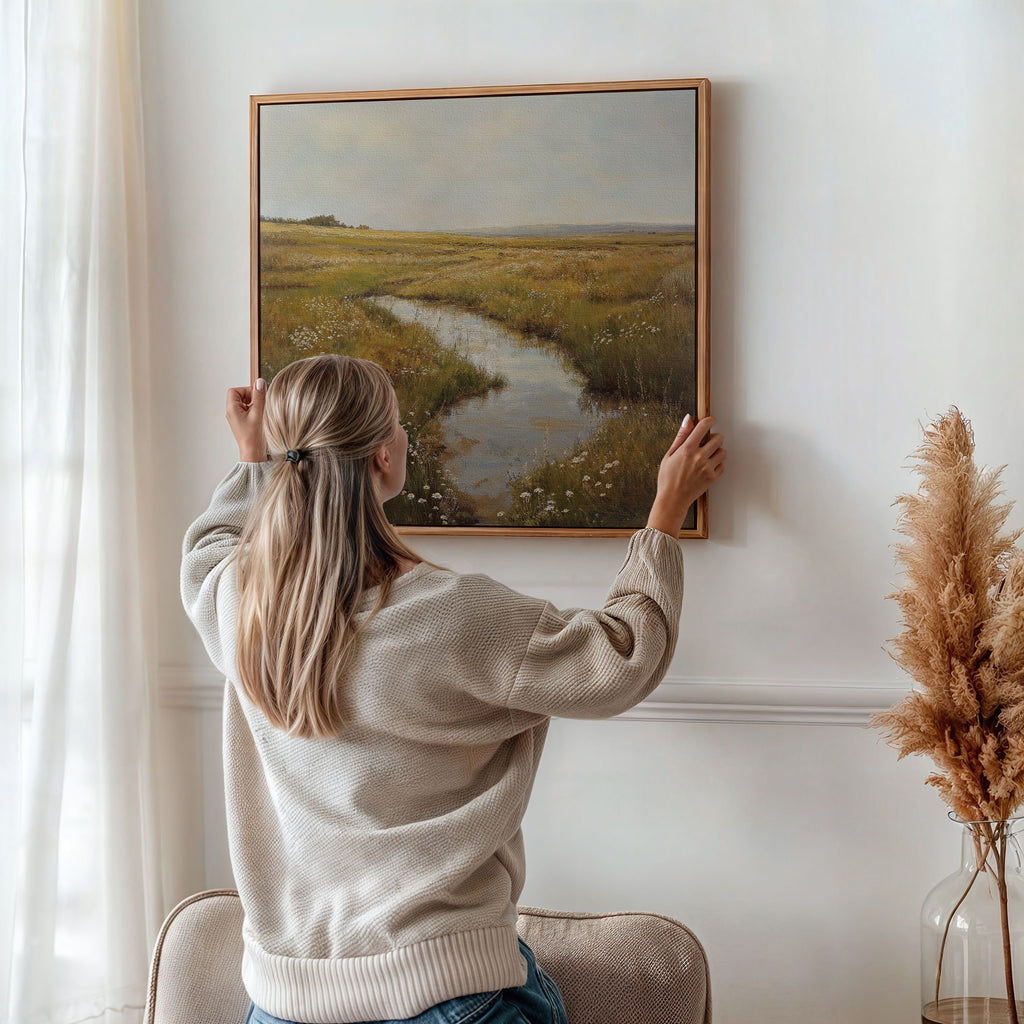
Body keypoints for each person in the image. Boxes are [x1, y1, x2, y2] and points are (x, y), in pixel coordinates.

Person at [181, 353, 726, 1024]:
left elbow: (206, 550)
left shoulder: (241, 605)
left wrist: (252, 461)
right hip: (445, 997)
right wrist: (665, 513)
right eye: (401, 424)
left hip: (282, 1006)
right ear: (383, 458)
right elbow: (621, 657)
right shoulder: (454, 615)